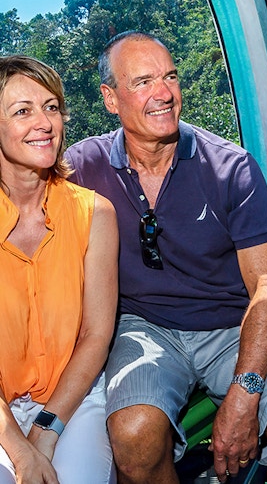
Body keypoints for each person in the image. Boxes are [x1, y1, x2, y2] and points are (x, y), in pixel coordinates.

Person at [65, 31, 267, 484]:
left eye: (170, 77)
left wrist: (245, 390)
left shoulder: (230, 168)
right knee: (133, 436)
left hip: (233, 326)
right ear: (110, 99)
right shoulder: (86, 166)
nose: (163, 93)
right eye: (142, 82)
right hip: (143, 327)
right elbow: (22, 184)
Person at [0, 55, 119, 484]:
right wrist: (20, 451)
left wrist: (45, 434)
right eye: (22, 111)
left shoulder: (95, 214)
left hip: (72, 399)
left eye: (51, 107)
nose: (44, 122)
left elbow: (95, 336)